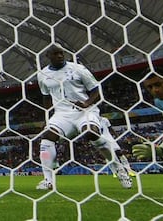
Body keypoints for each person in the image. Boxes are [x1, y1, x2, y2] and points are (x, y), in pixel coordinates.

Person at [36, 44, 132, 190]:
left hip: (84, 111)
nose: (60, 56)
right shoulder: (43, 75)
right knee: (47, 138)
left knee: (90, 133)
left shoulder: (78, 69)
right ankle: (48, 180)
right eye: (56, 54)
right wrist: (47, 117)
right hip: (61, 114)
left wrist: (87, 103)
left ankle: (118, 168)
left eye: (61, 53)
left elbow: (96, 89)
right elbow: (46, 98)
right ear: (48, 56)